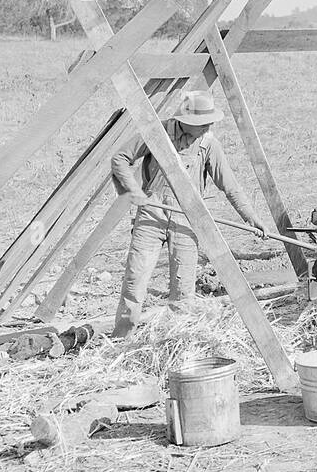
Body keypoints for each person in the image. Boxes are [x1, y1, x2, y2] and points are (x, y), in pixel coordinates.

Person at [110, 90, 272, 338]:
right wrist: (132, 191)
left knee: (183, 291)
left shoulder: (208, 144)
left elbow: (230, 186)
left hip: (187, 219)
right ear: (187, 122)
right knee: (135, 281)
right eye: (204, 122)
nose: (209, 126)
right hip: (151, 216)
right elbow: (120, 158)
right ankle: (122, 339)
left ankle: (178, 341)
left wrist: (250, 217)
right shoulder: (157, 133)